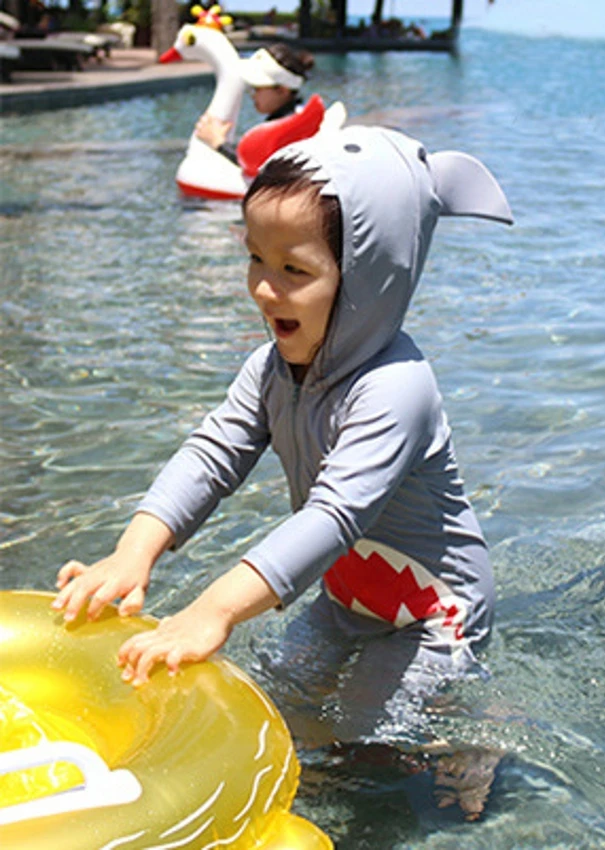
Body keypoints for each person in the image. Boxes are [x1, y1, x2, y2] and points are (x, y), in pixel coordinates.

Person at [52, 125, 512, 752]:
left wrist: (211, 610)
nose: (264, 289)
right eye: (255, 258)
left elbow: (333, 515)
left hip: (435, 613)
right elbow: (211, 455)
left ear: (368, 279)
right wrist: (135, 552)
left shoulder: (396, 388)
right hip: (347, 595)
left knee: (362, 741)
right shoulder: (271, 369)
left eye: (294, 269)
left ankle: (478, 741)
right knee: (268, 702)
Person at [194, 42, 315, 166]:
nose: (252, 94)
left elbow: (260, 172)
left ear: (282, 90)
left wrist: (218, 143)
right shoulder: (292, 118)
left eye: (257, 88)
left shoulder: (292, 129)